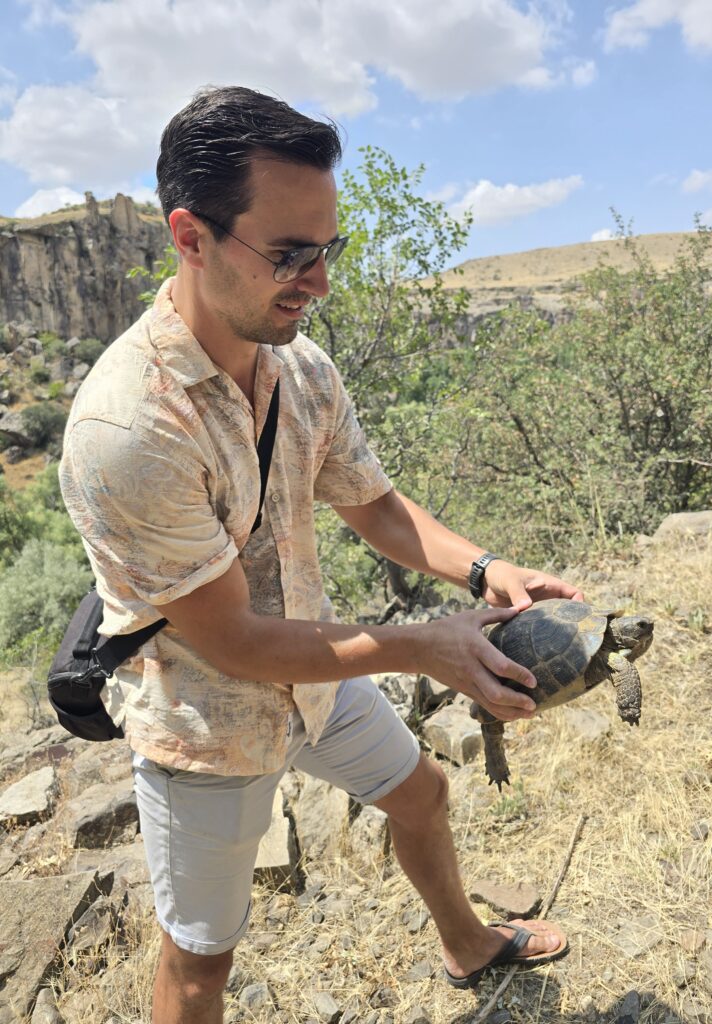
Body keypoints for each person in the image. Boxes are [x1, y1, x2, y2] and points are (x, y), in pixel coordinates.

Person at [59, 86, 583, 1024]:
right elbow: (237, 647)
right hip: (206, 725)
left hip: (321, 674)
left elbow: (373, 505)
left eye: (328, 249)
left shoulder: (300, 365)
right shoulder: (127, 426)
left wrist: (480, 570)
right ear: (190, 235)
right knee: (199, 965)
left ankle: (466, 945)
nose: (320, 281)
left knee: (421, 795)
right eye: (290, 254)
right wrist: (422, 645)